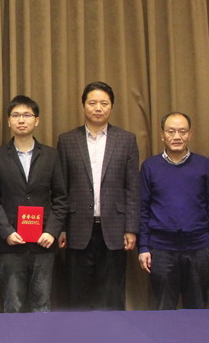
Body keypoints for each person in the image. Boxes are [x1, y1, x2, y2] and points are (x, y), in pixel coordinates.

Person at [56, 81, 139, 310]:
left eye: (104, 103)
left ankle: (114, 329)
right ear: (83, 105)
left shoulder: (126, 139)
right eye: (92, 103)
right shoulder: (67, 140)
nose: (98, 108)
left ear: (112, 106)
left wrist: (131, 228)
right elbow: (61, 189)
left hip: (114, 227)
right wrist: (61, 228)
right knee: (78, 295)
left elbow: (132, 187)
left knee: (113, 295)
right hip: (77, 227)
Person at [0, 95, 67, 312]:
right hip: (11, 243)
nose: (21, 120)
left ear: (36, 120)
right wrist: (7, 232)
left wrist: (51, 231)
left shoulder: (51, 156)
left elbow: (60, 198)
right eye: (15, 115)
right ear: (8, 121)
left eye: (27, 115)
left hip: (43, 242)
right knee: (12, 304)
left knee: (42, 303)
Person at [138, 112, 209, 309]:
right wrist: (143, 247)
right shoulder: (150, 166)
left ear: (190, 134)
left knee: (197, 308)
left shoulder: (205, 165)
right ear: (162, 135)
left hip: (199, 248)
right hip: (161, 249)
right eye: (171, 131)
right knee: (164, 309)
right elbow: (143, 210)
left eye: (182, 131)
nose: (177, 136)